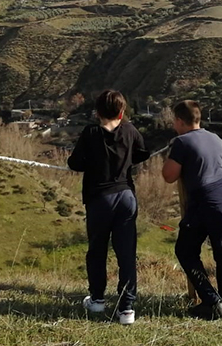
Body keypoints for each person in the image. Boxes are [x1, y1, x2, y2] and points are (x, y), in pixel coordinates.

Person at [162, 100, 222, 320]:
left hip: (204, 199)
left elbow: (169, 175)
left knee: (185, 250)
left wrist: (173, 154)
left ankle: (211, 299)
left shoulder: (181, 142)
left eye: (175, 121)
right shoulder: (216, 139)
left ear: (180, 121)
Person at [67, 90, 150, 325]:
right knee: (126, 254)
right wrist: (125, 161)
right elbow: (144, 152)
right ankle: (126, 310)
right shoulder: (130, 130)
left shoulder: (91, 133)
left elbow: (74, 162)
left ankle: (97, 300)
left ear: (97, 112)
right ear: (122, 112)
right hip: (125, 197)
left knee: (97, 251)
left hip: (99, 198)